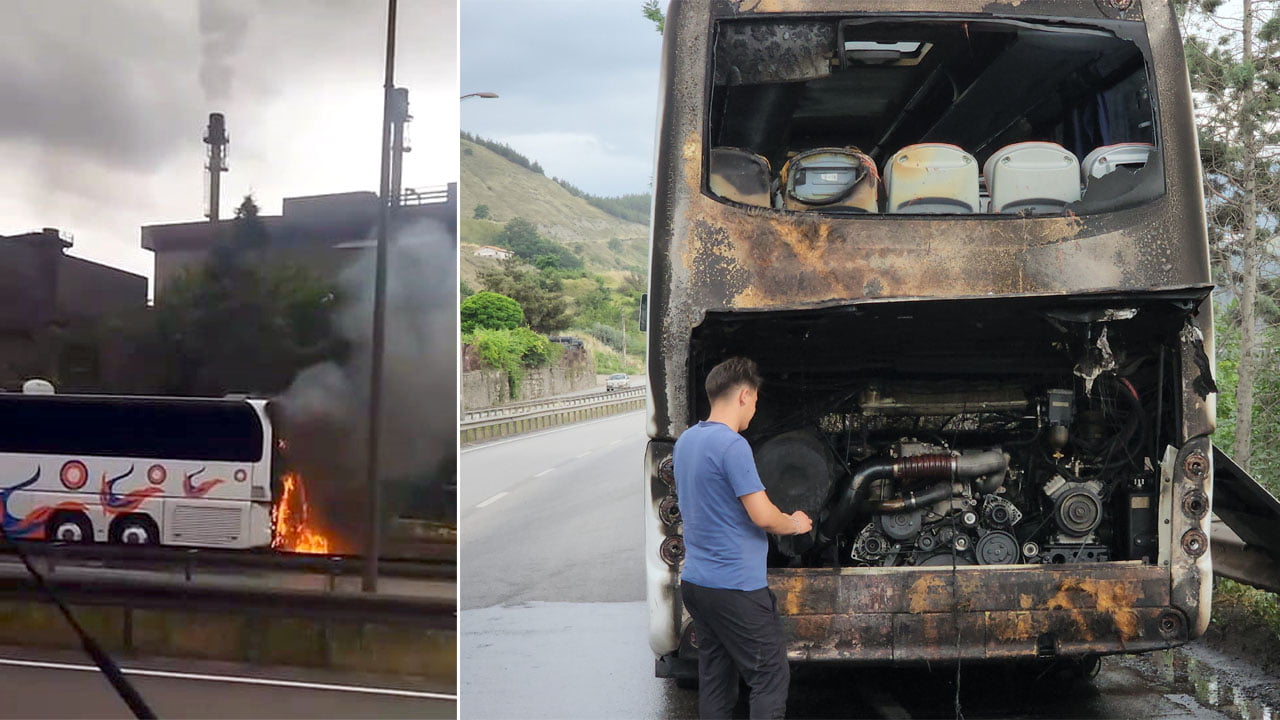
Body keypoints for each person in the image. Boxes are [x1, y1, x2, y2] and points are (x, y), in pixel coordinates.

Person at [674, 356, 813, 720]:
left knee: (717, 682)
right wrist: (796, 523)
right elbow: (763, 516)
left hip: (697, 584)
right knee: (769, 676)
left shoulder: (687, 440)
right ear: (744, 396)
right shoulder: (732, 446)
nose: (754, 408)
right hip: (735, 587)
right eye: (755, 400)